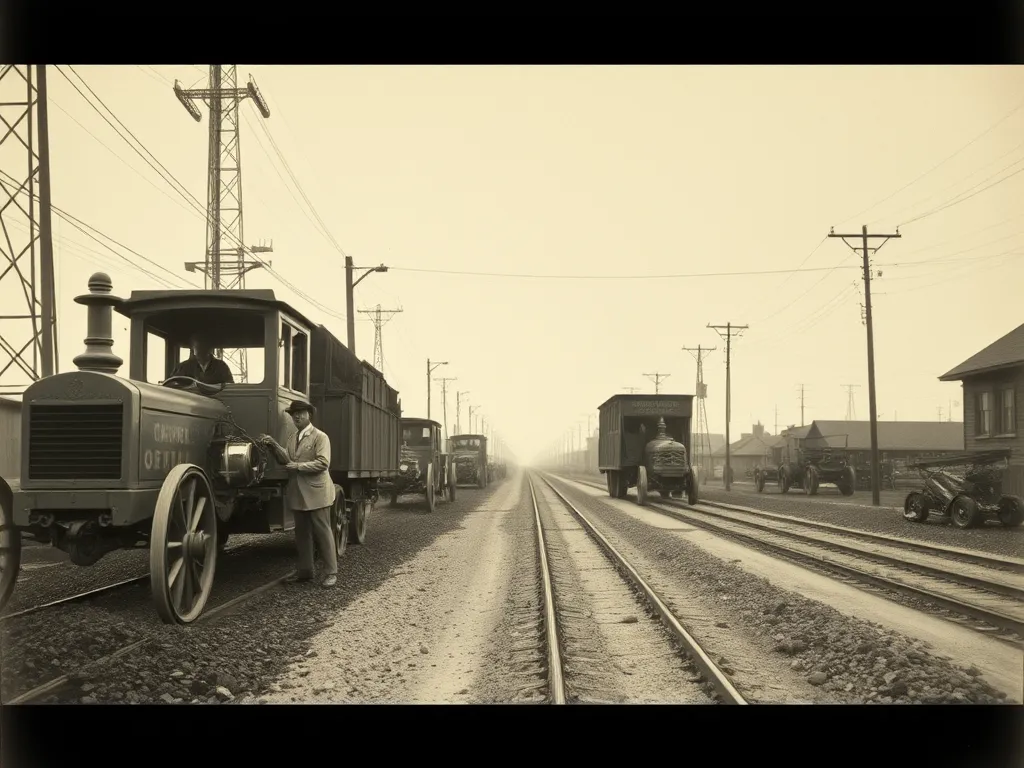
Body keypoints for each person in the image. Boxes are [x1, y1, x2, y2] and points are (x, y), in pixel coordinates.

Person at [259, 401, 338, 588]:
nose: (296, 417)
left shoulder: (320, 437)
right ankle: (306, 572)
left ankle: (331, 573)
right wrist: (273, 446)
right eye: (293, 414)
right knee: (302, 535)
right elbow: (287, 459)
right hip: (298, 492)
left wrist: (298, 467)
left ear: (309, 414)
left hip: (317, 493)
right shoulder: (292, 437)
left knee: (323, 533)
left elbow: (323, 463)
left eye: (300, 413)